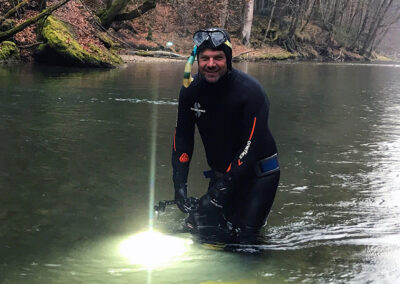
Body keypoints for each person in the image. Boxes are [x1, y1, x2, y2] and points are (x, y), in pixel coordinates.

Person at [172, 28, 280, 240]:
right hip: (224, 173)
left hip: (258, 175)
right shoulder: (190, 90)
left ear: (228, 59)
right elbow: (183, 138)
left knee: (244, 240)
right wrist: (179, 185)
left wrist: (219, 193)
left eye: (218, 58)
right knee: (200, 231)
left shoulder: (250, 91)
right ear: (197, 60)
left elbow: (251, 146)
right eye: (205, 58)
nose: (211, 64)